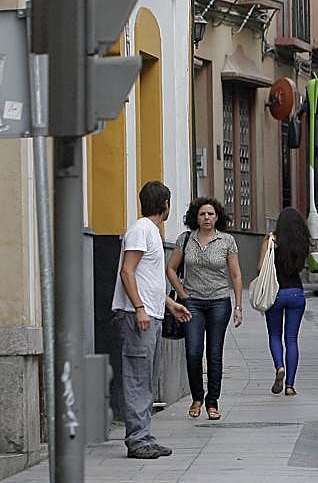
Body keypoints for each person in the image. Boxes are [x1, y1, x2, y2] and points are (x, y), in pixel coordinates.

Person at [111, 181, 193, 460]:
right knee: (137, 377)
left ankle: (144, 435)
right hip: (139, 318)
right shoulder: (141, 230)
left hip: (151, 314)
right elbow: (127, 272)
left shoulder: (150, 232)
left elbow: (150, 279)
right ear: (166, 204)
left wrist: (168, 304)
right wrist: (139, 308)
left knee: (147, 379)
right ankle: (137, 440)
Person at [166, 197, 243, 421]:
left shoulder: (227, 241)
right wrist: (182, 294)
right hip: (193, 302)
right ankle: (197, 397)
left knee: (214, 353)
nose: (207, 218)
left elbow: (236, 274)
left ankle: (212, 401)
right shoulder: (185, 239)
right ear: (195, 218)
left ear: (217, 217)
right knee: (193, 351)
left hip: (219, 301)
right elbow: (171, 269)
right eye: (202, 214)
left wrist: (238, 305)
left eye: (210, 214)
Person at [260, 206, 310, 396]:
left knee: (274, 335)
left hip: (275, 293)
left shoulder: (271, 240)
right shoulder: (301, 243)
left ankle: (279, 366)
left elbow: (259, 268)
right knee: (291, 339)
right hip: (296, 293)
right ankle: (290, 386)